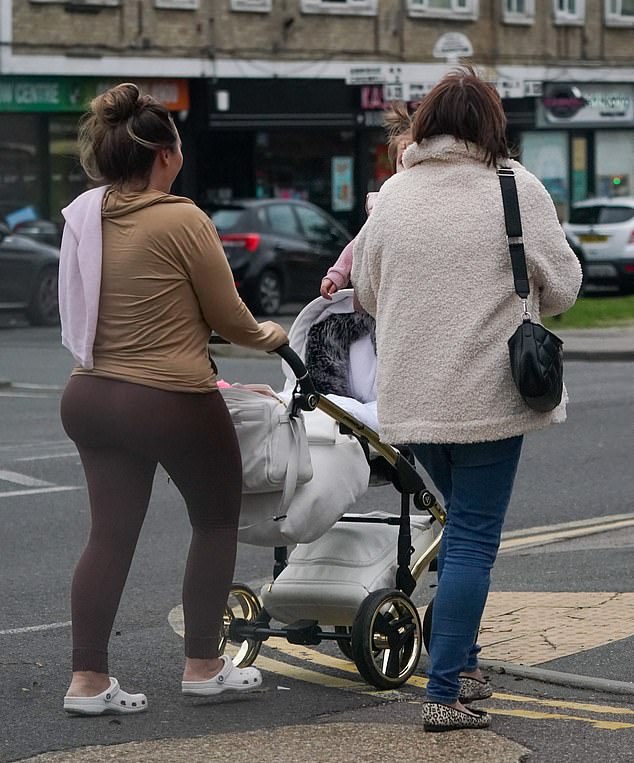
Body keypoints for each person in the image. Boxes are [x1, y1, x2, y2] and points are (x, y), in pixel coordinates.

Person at [351, 67, 582, 732]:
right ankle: (445, 690)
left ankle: (466, 663)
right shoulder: (516, 187)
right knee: (476, 536)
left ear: (425, 124)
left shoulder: (393, 195)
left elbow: (367, 293)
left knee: (459, 524)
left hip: (412, 398)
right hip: (488, 394)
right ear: (490, 124)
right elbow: (563, 288)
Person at [58, 82, 288, 715]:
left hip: (88, 393)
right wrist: (275, 334)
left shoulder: (84, 215)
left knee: (108, 535)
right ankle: (204, 666)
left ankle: (88, 681)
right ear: (164, 153)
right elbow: (231, 318)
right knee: (215, 519)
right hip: (166, 396)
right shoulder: (181, 217)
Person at [320, 102, 413, 300]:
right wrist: (337, 274)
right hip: (381, 296)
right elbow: (360, 242)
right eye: (401, 162)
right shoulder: (385, 202)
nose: (406, 168)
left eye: (413, 162)